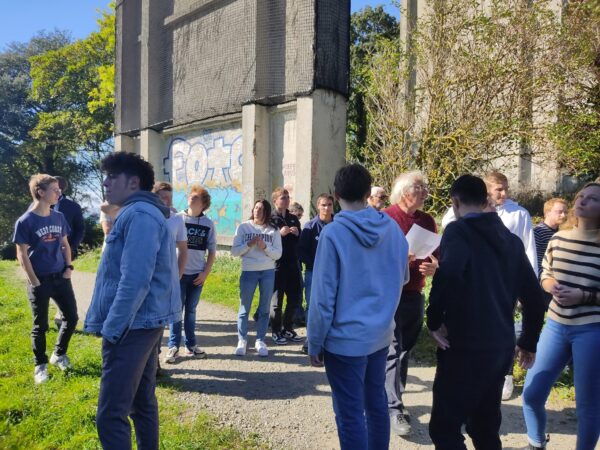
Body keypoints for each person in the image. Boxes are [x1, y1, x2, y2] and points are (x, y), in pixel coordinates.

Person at [427, 174, 545, 450]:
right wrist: (528, 340)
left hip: (464, 344)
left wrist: (434, 320)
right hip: (499, 347)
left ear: (455, 202)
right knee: (484, 426)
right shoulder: (512, 241)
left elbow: (449, 276)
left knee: (445, 427)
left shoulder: (457, 231)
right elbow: (535, 299)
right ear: (485, 200)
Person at [307, 163, 409, 450]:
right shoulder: (391, 228)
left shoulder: (333, 234)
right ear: (368, 193)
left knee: (350, 413)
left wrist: (315, 342)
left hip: (344, 342)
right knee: (376, 402)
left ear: (336, 194)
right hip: (380, 335)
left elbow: (322, 297)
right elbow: (403, 276)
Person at [84, 152, 180, 449]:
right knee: (142, 403)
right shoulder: (140, 212)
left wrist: (113, 328)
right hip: (142, 322)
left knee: (111, 415)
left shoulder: (138, 214)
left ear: (134, 182)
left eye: (113, 176)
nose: (105, 182)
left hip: (132, 326)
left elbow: (136, 278)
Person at [442, 170, 538, 399]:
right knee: (476, 409)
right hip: (473, 321)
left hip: (497, 300)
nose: (503, 194)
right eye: (498, 189)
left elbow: (529, 253)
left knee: (463, 410)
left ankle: (503, 380)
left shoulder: (518, 216)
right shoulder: (457, 226)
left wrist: (528, 338)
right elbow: (450, 272)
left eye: (506, 189)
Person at [522, 183, 600, 450]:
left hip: (592, 329)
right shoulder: (559, 239)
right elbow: (545, 273)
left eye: (593, 199)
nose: (583, 201)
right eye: (581, 196)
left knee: (588, 406)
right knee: (531, 394)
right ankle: (536, 443)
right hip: (555, 325)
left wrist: (583, 296)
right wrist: (550, 285)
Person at [383, 170, 439, 436]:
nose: (425, 191)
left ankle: (395, 398)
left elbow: (436, 255)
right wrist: (397, 260)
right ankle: (394, 409)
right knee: (393, 350)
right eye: (420, 187)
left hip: (415, 293)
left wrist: (434, 267)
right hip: (390, 294)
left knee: (404, 350)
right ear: (405, 191)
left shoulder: (428, 220)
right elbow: (374, 259)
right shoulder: (385, 218)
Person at [13, 174, 78, 384]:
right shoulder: (25, 221)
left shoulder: (58, 217)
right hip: (39, 279)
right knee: (40, 325)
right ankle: (40, 365)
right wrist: (34, 280)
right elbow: (21, 254)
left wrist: (68, 267)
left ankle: (58, 354)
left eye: (59, 190)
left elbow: (65, 244)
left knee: (72, 317)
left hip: (60, 276)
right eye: (55, 190)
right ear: (40, 192)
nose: (59, 193)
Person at [164, 185, 216, 363]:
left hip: (197, 275)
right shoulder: (178, 218)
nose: (190, 199)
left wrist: (205, 273)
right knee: (176, 311)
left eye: (195, 197)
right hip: (178, 273)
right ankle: (173, 347)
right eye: (190, 196)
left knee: (191, 311)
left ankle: (191, 345)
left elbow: (212, 252)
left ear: (203, 204)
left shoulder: (208, 224)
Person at [231, 199, 282, 356]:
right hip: (249, 271)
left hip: (267, 271)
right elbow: (235, 251)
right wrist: (249, 244)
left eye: (261, 209)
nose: (257, 211)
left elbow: (278, 254)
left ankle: (260, 340)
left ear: (266, 212)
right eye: (256, 208)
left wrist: (265, 247)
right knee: (244, 307)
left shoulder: (273, 230)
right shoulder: (244, 227)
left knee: (264, 307)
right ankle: (242, 339)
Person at [151, 182, 188, 374]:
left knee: (160, 320)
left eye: (170, 198)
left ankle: (154, 360)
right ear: (154, 196)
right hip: (146, 276)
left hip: (167, 277)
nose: (167, 201)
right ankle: (147, 360)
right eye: (163, 197)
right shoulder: (146, 216)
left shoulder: (177, 219)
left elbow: (183, 249)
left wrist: (179, 274)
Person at [297, 193, 334, 353]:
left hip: (334, 274)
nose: (326, 208)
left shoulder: (338, 225)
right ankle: (310, 341)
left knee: (332, 306)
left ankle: (329, 341)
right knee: (313, 306)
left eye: (329, 205)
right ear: (318, 206)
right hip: (314, 273)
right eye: (323, 205)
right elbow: (301, 251)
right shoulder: (310, 227)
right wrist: (316, 265)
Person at [270, 187, 304, 344]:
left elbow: (299, 242)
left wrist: (298, 234)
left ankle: (288, 328)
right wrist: (279, 234)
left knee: (295, 298)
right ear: (275, 200)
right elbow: (267, 240)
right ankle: (276, 330)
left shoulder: (293, 218)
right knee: (277, 300)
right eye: (283, 197)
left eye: (287, 197)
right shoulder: (271, 219)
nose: (286, 200)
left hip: (293, 263)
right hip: (278, 265)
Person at [533, 198, 568, 278]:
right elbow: (536, 261)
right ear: (548, 213)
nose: (563, 215)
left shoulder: (562, 232)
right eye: (560, 212)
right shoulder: (538, 232)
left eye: (565, 212)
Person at [53, 176, 85, 260]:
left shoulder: (73, 207)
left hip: (64, 253)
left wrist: (71, 247)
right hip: (42, 253)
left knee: (64, 273)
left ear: (61, 189)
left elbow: (80, 229)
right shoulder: (40, 205)